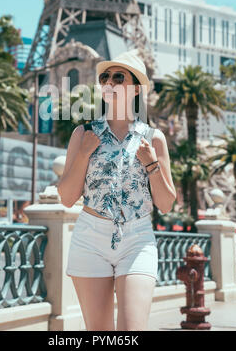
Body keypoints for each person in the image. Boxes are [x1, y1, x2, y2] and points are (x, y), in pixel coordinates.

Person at [58, 49, 177, 331]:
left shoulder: (153, 138)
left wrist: (151, 164)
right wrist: (85, 153)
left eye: (118, 77)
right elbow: (66, 197)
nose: (109, 82)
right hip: (89, 237)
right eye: (105, 77)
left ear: (135, 88)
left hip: (137, 239)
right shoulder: (83, 133)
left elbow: (167, 203)